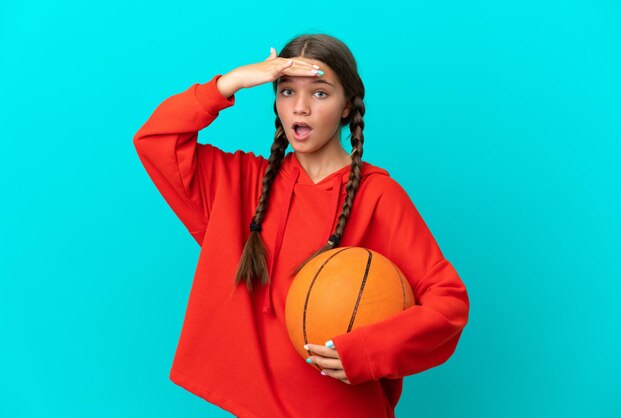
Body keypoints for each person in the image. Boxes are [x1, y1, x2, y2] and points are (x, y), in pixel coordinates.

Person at [133, 33, 470, 418]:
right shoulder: (241, 183)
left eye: (321, 93)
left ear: (347, 107)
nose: (301, 108)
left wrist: (368, 351)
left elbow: (449, 304)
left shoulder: (379, 195)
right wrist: (229, 83)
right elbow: (156, 141)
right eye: (287, 91)